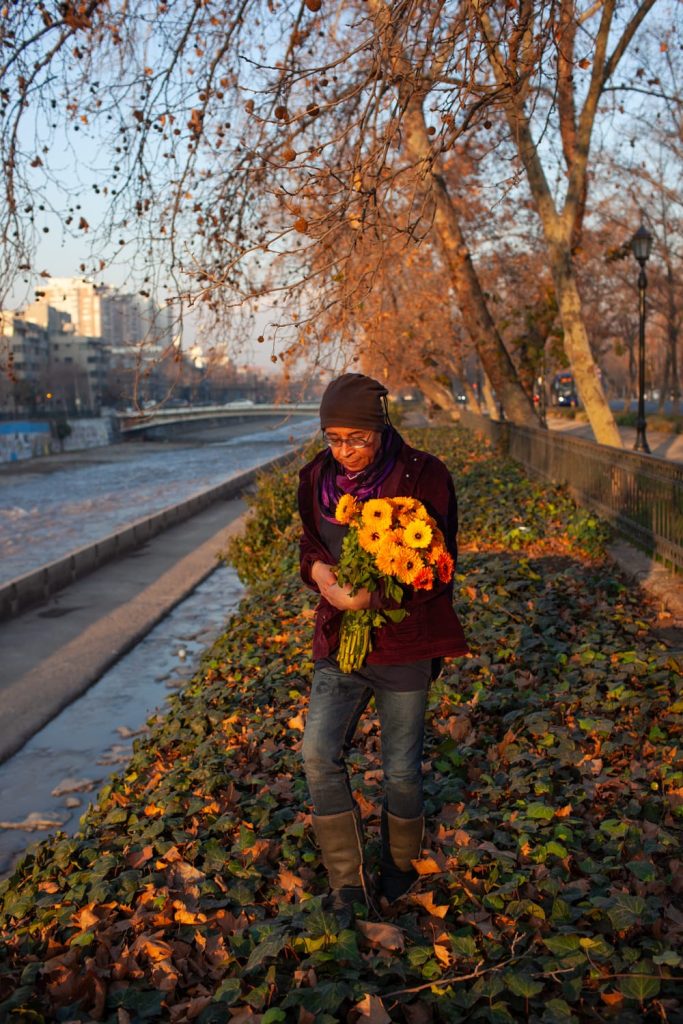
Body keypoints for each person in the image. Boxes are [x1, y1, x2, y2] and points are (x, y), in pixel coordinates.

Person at [298, 372, 468, 911]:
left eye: (357, 439)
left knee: (399, 766)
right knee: (318, 754)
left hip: (405, 646)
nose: (345, 451)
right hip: (338, 643)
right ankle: (348, 882)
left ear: (381, 428)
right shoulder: (315, 477)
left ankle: (399, 869)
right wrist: (323, 579)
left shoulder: (425, 476)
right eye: (334, 437)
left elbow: (438, 568)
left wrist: (371, 601)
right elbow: (310, 545)